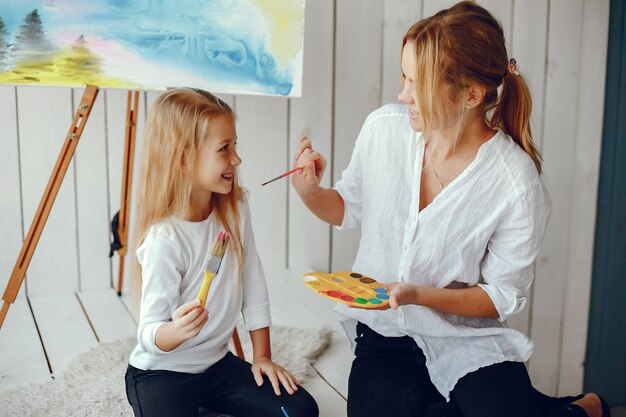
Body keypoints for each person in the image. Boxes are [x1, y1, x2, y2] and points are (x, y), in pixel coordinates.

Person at [291, 2, 610, 417]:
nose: (403, 94)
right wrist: (309, 192)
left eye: (416, 84)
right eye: (404, 76)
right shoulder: (383, 130)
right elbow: (345, 208)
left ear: (471, 95)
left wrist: (421, 296)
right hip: (384, 340)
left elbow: (500, 296)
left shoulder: (516, 182)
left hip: (465, 340)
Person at [125, 88, 319, 417]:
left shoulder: (235, 209)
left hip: (216, 366)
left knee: (300, 411)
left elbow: (253, 285)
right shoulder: (165, 239)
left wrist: (262, 357)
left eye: (235, 146)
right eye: (224, 149)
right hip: (161, 375)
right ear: (183, 158)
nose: (236, 159)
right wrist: (176, 330)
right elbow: (148, 335)